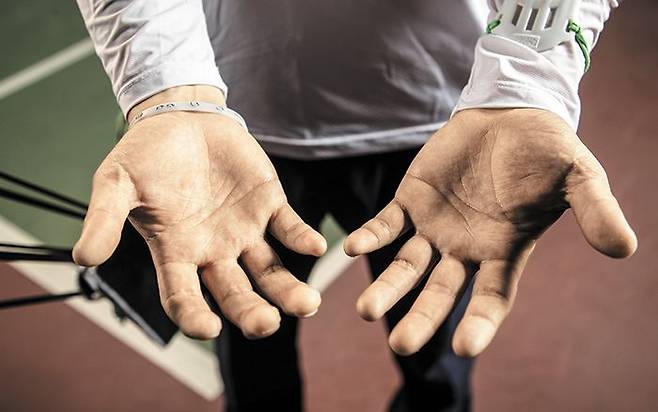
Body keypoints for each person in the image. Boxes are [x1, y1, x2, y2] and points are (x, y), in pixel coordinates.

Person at [73, 1, 636, 411]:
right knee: (249, 340)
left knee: (434, 346)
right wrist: (170, 91)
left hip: (449, 133)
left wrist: (529, 83)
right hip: (233, 134)